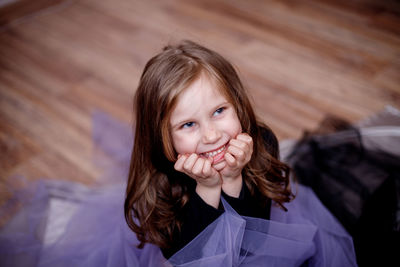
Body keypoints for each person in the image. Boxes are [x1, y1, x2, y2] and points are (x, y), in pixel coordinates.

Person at [124, 40, 358, 266]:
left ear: (236, 103)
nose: (211, 136)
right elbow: (188, 260)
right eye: (188, 124)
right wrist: (207, 188)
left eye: (218, 111)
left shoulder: (263, 143)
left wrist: (232, 178)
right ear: (160, 135)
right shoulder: (159, 181)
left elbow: (252, 245)